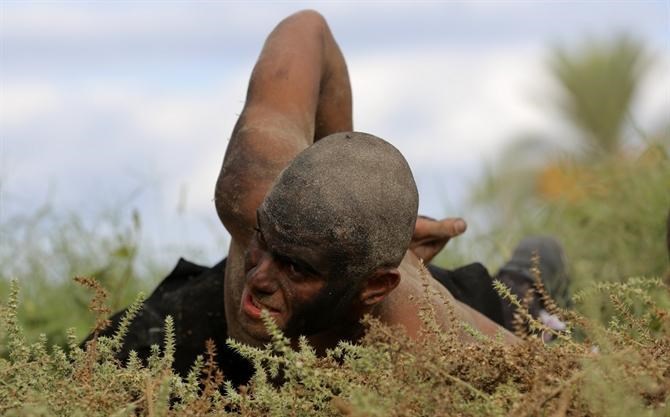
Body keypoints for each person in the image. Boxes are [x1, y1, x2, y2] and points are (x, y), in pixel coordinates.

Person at [97, 10, 516, 387]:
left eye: (296, 268)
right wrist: (340, 198)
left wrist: (362, 235)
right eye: (263, 240)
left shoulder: (422, 337)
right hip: (218, 329)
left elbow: (552, 378)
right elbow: (308, 27)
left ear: (374, 287)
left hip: (369, 303)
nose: (259, 278)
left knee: (516, 299)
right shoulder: (249, 187)